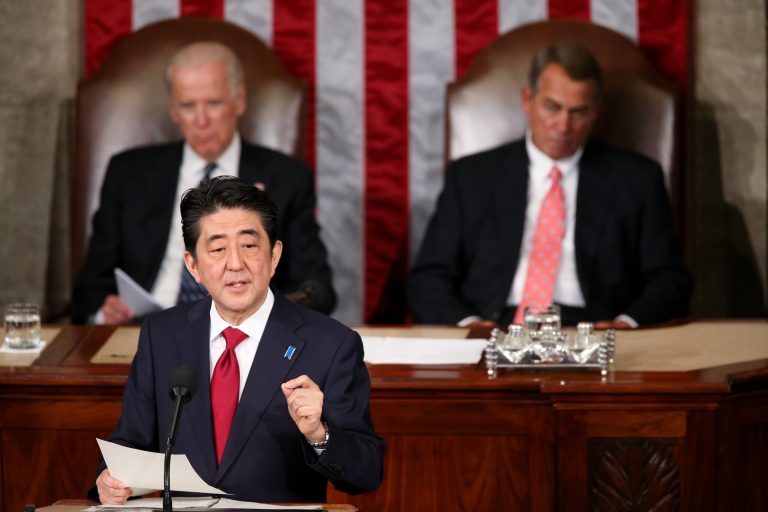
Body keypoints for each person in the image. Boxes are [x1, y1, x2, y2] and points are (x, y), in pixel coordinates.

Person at [91, 176, 384, 504]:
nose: (235, 264)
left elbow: (367, 473)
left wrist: (319, 434)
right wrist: (109, 480)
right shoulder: (162, 335)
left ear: (273, 256)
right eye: (217, 249)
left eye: (249, 246)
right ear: (194, 266)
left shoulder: (331, 345)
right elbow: (131, 442)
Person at [408, 42, 692, 328]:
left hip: (594, 329)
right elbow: (428, 278)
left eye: (578, 112)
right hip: (496, 326)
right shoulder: (471, 176)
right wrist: (468, 325)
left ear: (596, 112)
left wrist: (626, 324)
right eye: (552, 107)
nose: (563, 126)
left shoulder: (638, 179)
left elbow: (669, 280)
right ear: (527, 100)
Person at [71, 41, 335, 324]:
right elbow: (89, 287)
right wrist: (104, 310)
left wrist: (264, 315)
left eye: (213, 103)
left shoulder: (287, 178)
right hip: (146, 331)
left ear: (240, 100)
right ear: (173, 110)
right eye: (187, 106)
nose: (201, 120)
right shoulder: (128, 173)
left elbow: (317, 289)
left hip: (245, 333)